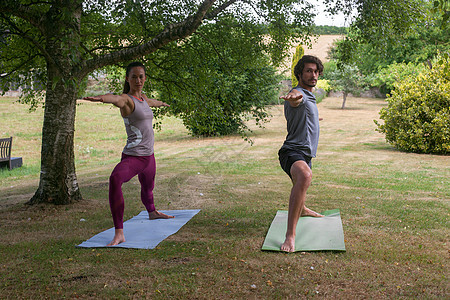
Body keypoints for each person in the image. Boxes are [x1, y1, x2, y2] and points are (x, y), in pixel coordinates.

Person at [83, 61, 173, 246]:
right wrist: (101, 98)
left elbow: (151, 103)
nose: (138, 80)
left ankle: (152, 212)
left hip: (149, 157)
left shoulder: (144, 99)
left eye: (141, 76)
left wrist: (162, 103)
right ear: (127, 78)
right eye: (134, 77)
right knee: (115, 179)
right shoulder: (127, 100)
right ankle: (119, 232)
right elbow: (115, 99)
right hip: (134, 157)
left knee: (148, 188)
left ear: (145, 78)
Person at [278, 55, 325, 252]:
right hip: (291, 151)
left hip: (304, 153)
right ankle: (290, 236)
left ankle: (303, 209)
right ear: (299, 73)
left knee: (302, 184)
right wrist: (293, 99)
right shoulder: (299, 93)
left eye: (316, 71)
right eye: (308, 71)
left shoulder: (311, 96)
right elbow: (296, 99)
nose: (313, 75)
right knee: (305, 176)